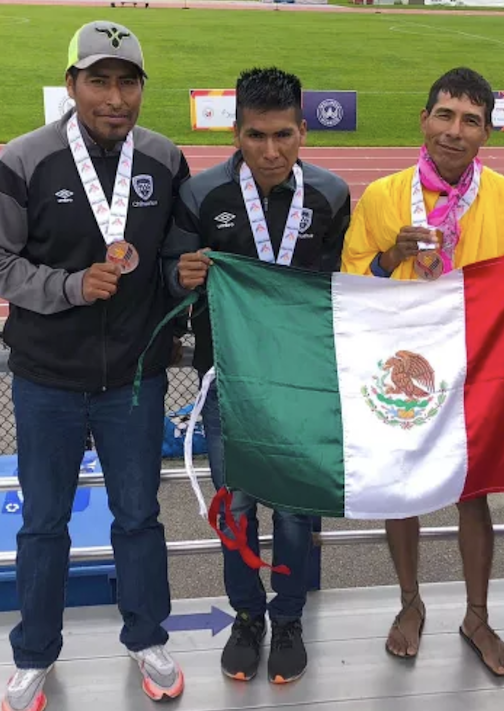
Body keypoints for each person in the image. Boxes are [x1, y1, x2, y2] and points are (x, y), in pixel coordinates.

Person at [0, 20, 191, 711]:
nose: (115, 97)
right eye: (100, 81)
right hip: (47, 378)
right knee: (43, 522)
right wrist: (68, 287)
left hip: (133, 379)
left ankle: (147, 638)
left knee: (138, 517)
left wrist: (184, 275)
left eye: (128, 82)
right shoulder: (24, 159)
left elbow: (167, 263)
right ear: (72, 85)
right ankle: (34, 654)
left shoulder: (164, 159)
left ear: (141, 89)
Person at [340, 66, 504, 678]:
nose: (454, 131)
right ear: (424, 120)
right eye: (445, 115)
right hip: (403, 371)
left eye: (471, 121)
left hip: (475, 373)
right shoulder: (382, 195)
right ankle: (411, 604)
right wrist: (391, 257)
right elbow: (351, 286)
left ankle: (477, 615)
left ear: (487, 134)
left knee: (473, 493)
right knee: (401, 490)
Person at [169, 67, 351, 685]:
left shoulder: (330, 195)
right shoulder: (201, 197)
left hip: (303, 387)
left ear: (303, 130)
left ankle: (289, 616)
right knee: (237, 506)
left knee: (297, 511)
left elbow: (339, 290)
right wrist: (181, 275)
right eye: (254, 136)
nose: (270, 152)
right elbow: (172, 277)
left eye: (283, 135)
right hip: (228, 384)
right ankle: (248, 617)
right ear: (236, 131)